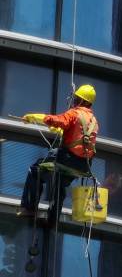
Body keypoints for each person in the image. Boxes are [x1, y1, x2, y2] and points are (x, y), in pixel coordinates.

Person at [19, 84, 99, 226]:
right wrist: (62, 132)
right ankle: (53, 220)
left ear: (82, 101)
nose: (74, 102)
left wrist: (35, 118)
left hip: (66, 159)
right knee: (59, 184)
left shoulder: (74, 113)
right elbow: (80, 137)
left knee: (34, 171)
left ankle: (30, 208)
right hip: (83, 165)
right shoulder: (93, 121)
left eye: (76, 99)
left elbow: (59, 120)